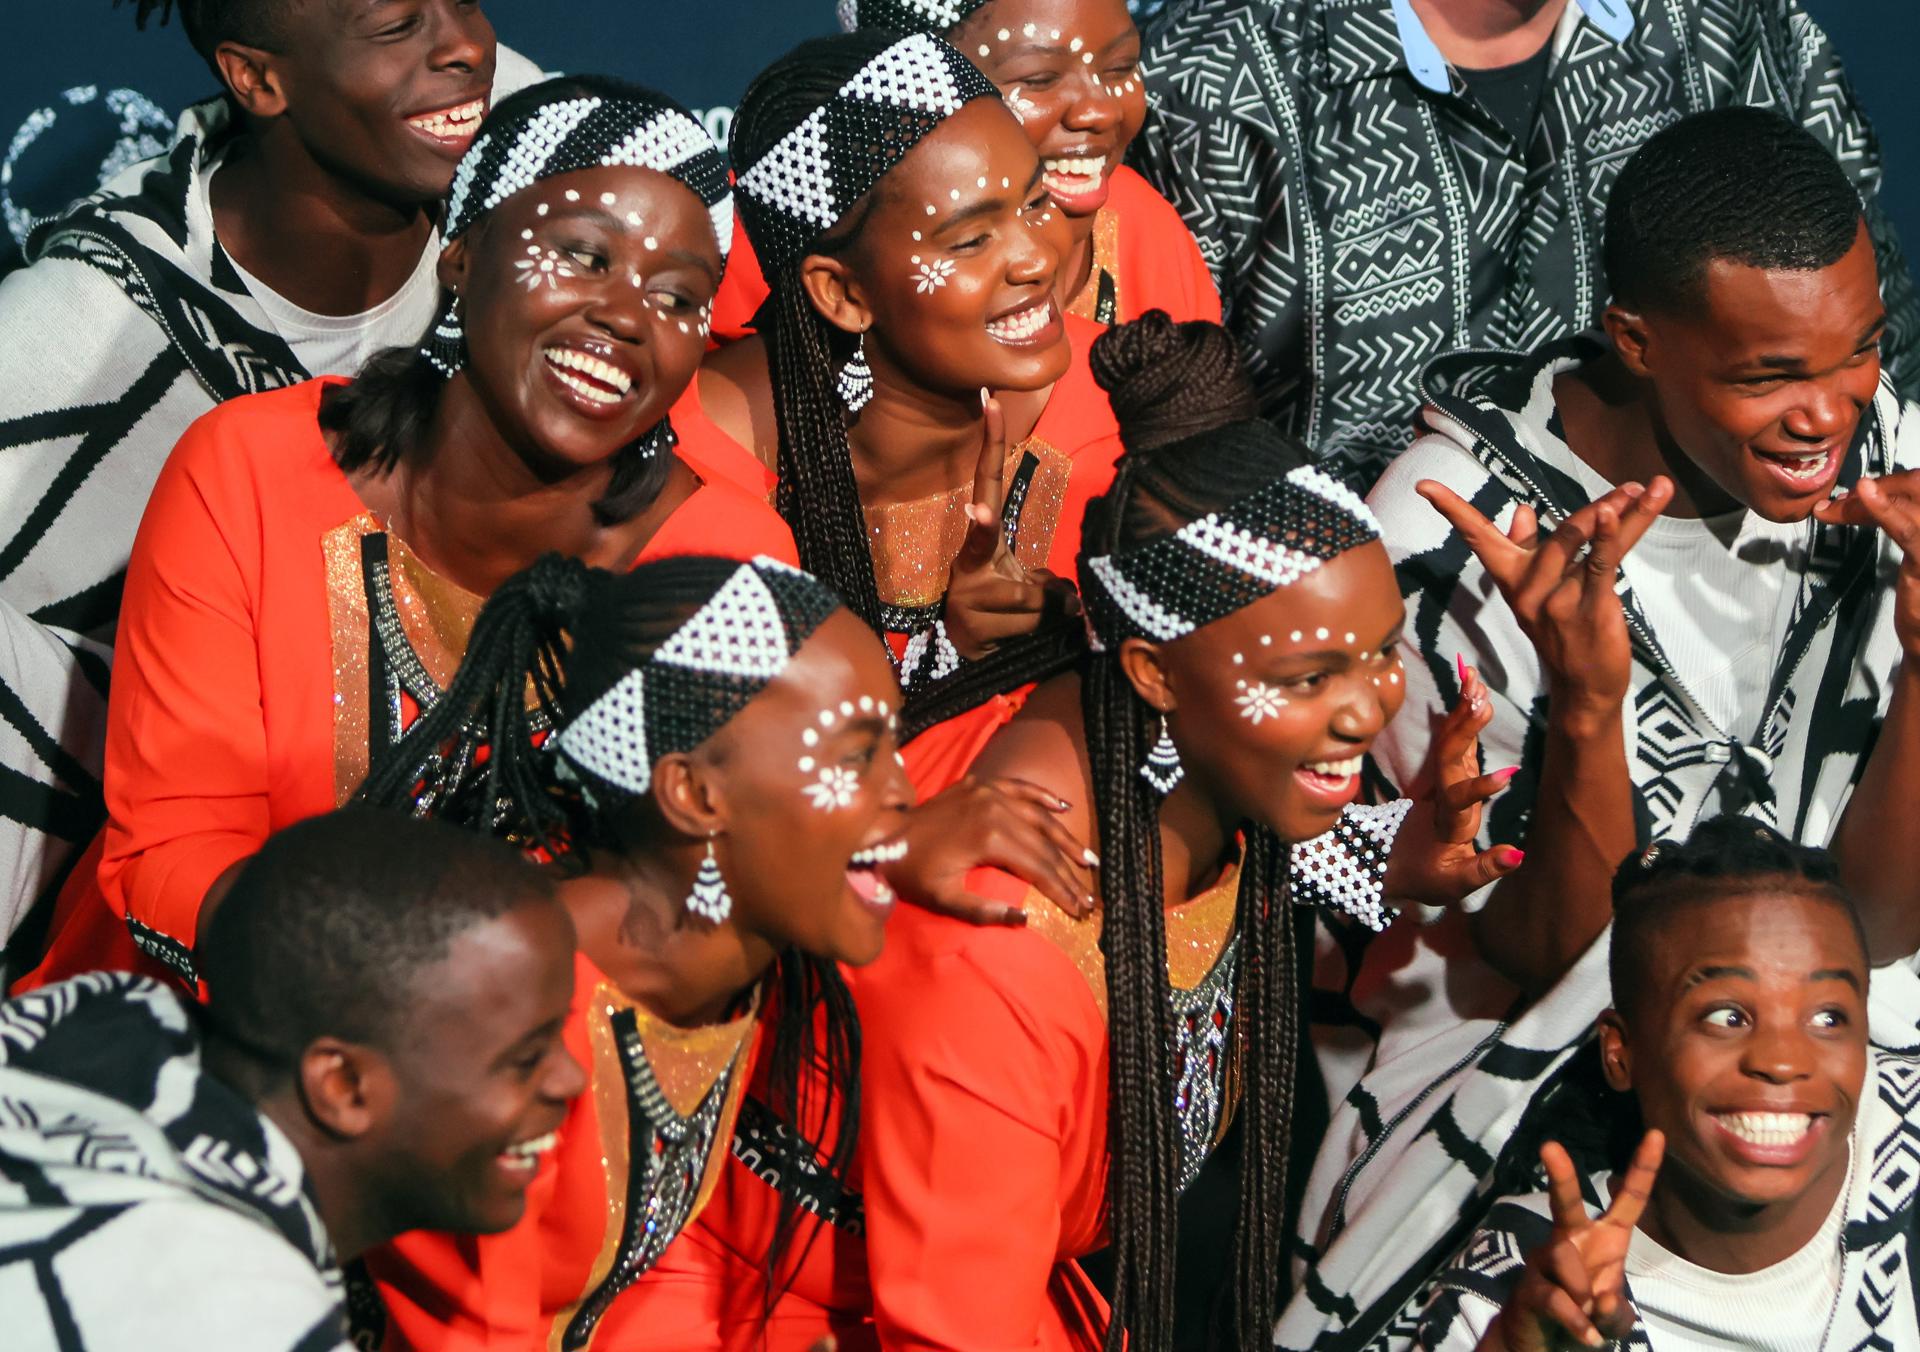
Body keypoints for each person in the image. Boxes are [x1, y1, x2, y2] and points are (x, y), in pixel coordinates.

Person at [629, 313, 1518, 1351]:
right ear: (1152, 671)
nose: (1370, 709)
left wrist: (1387, 855)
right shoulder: (999, 951)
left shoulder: (1125, 732)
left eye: (1378, 652)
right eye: (1308, 678)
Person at [1276, 107, 1920, 1347]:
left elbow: (1879, 930)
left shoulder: (1886, 462)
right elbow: (1556, 960)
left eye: (1860, 353)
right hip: (1525, 1086)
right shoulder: (1442, 542)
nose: (1828, 411)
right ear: (1634, 340)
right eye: (1767, 375)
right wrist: (1584, 702)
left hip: (1823, 1045)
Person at [15, 77, 787, 992]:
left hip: (520, 1064)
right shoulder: (253, 467)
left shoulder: (729, 562)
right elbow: (177, 844)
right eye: (583, 257)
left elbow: (696, 891)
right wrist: (382, 999)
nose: (626, 316)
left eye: (677, 297)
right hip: (196, 1041)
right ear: (461, 256)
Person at [355, 551, 1095, 1347]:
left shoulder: (726, 962)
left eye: (893, 748)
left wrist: (879, 850)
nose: (906, 794)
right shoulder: (498, 1024)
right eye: (856, 759)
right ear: (696, 795)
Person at [0, 0, 539, 972]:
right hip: (181, 909)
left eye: (462, 0)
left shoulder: (532, 154)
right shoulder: (71, 338)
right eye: (397, 26)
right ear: (258, 80)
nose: (463, 46)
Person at [1132, 0, 1920, 486]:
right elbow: (1153, 442)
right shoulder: (1203, 86)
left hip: (1720, 607)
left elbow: (1873, 325)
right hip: (1351, 676)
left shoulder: (1731, 25)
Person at [687, 30, 1124, 794]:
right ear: (844, 294)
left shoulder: (1113, 410)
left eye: (1034, 201)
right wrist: (948, 654)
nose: (1037, 258)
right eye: (972, 239)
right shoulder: (694, 476)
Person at [0, 807, 585, 1350]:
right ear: (343, 1086)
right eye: (526, 1058)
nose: (573, 1078)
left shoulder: (104, 1014)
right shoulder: (239, 1317)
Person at [1411, 817, 1920, 1350]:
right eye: (1727, 1017)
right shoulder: (1530, 1284)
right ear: (1620, 1053)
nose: (1783, 1061)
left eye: (1828, 1018)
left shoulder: (1903, 1143)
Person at [708, 0, 1219, 340]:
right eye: (1039, 79)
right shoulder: (756, 239)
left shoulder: (1142, 225)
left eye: (1122, 67)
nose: (1100, 111)